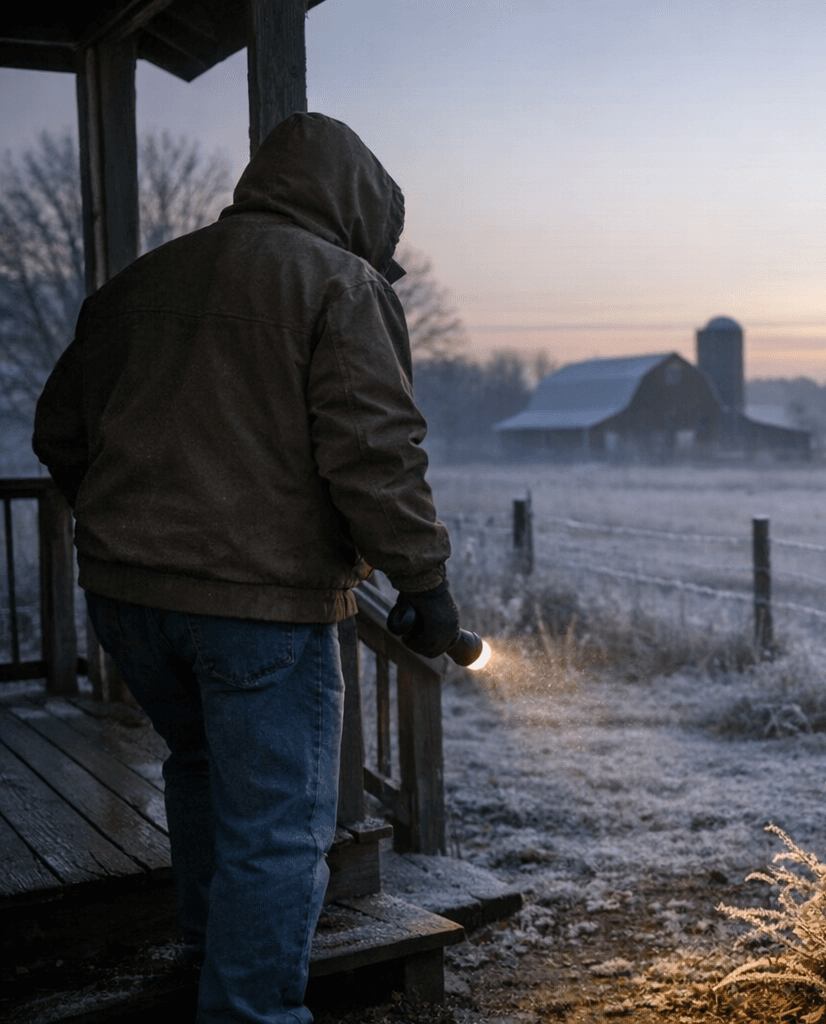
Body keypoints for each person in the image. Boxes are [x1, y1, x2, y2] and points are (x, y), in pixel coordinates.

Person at [32, 111, 460, 1024]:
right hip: (261, 608)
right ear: (358, 208)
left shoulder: (140, 282)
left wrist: (125, 522)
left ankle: (207, 958)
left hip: (127, 599)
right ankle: (251, 1011)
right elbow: (373, 451)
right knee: (276, 828)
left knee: (196, 767)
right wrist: (423, 581)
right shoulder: (337, 284)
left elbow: (60, 431)